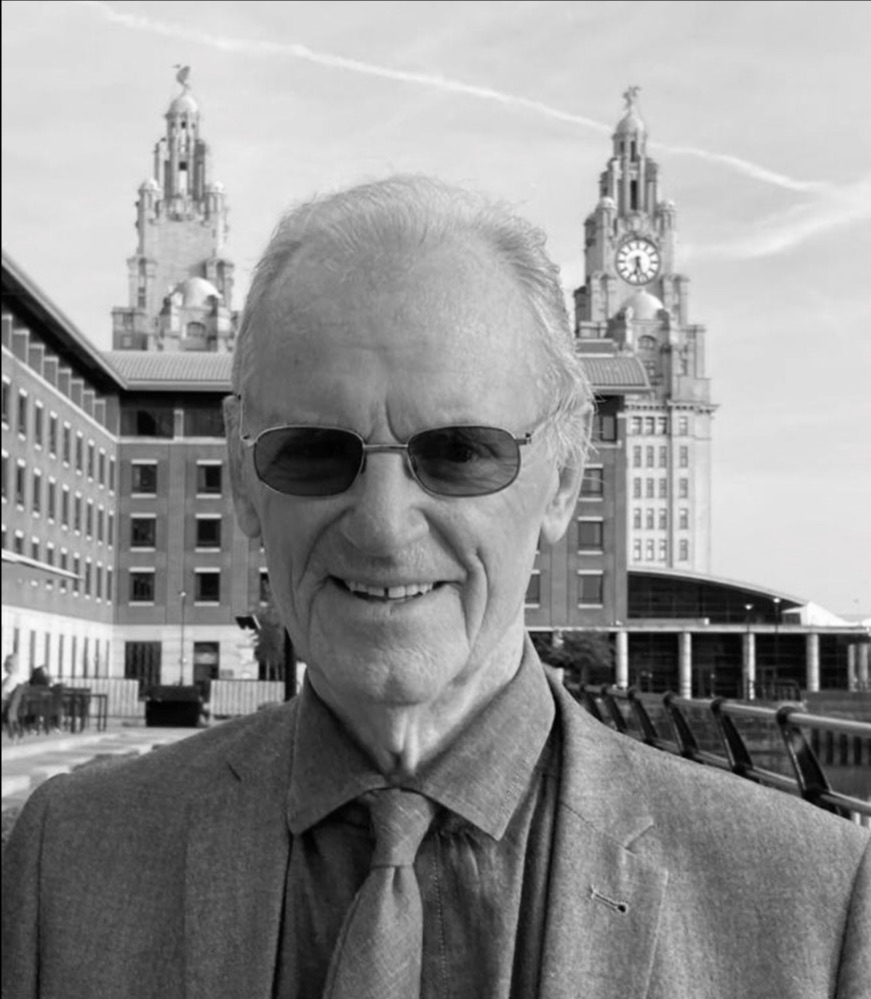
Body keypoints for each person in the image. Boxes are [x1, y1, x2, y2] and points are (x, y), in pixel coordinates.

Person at [2, 177, 868, 998]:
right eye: (314, 452)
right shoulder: (65, 861)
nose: (382, 526)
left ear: (564, 477)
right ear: (241, 476)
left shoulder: (813, 906)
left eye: (459, 452)